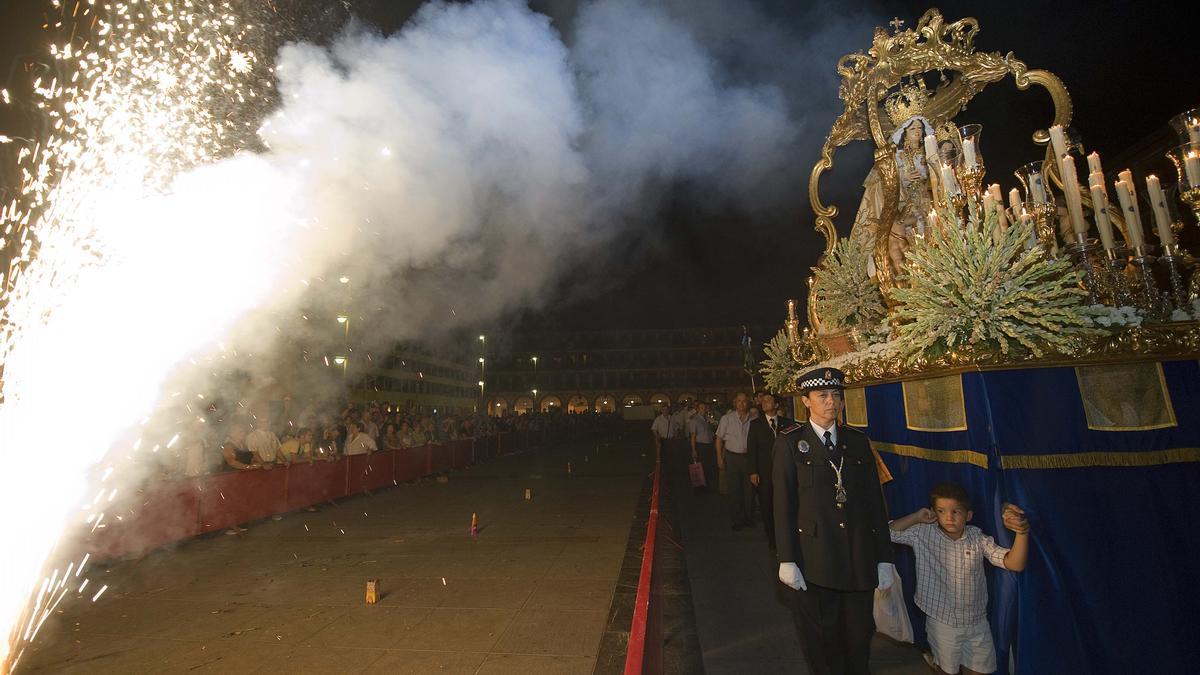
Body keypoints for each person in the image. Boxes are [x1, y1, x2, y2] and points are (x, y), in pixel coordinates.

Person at [773, 367, 894, 675]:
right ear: (806, 401)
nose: (832, 402)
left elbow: (874, 504)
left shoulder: (856, 442)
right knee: (823, 643)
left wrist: (884, 558)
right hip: (815, 559)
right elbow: (783, 505)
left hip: (857, 557)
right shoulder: (790, 444)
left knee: (858, 638)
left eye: (836, 395)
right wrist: (787, 559)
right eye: (823, 395)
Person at [889, 482, 1030, 675]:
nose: (948, 517)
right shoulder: (922, 532)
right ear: (933, 512)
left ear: (968, 515)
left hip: (976, 622)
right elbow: (889, 533)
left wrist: (1022, 533)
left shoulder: (977, 538)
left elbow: (1015, 563)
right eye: (941, 511)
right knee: (947, 670)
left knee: (981, 670)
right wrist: (915, 517)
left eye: (956, 511)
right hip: (942, 622)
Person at [747, 392, 789, 552]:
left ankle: (784, 536)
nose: (764, 403)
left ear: (776, 405)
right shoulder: (756, 425)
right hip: (764, 473)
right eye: (763, 401)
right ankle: (772, 539)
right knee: (767, 505)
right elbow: (752, 450)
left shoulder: (786, 423)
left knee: (784, 503)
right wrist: (753, 471)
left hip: (783, 471)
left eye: (768, 400)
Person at [715, 392, 754, 530]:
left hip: (748, 458)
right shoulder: (727, 419)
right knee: (735, 489)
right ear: (735, 403)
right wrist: (719, 458)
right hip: (732, 457)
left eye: (744, 401)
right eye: (739, 401)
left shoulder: (753, 418)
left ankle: (748, 518)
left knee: (749, 490)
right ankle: (737, 520)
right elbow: (719, 439)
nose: (742, 404)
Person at [688, 401, 717, 491]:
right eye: (701, 408)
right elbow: (693, 436)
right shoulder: (694, 420)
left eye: (705, 408)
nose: (703, 410)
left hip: (709, 445)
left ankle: (707, 485)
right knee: (701, 467)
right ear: (697, 409)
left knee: (709, 466)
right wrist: (693, 450)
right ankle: (700, 487)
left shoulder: (707, 419)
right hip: (700, 445)